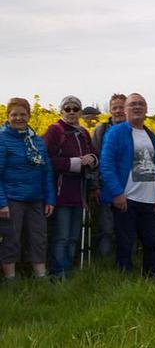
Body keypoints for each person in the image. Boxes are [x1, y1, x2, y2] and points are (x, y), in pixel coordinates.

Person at [100, 93, 155, 278]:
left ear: (146, 109)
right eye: (132, 104)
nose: (137, 107)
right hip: (126, 198)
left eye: (141, 104)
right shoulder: (116, 132)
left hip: (149, 198)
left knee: (151, 241)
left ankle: (151, 275)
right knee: (125, 241)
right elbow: (107, 165)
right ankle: (125, 277)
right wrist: (117, 192)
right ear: (125, 110)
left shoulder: (151, 135)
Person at [0, 98, 55, 281]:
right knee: (11, 239)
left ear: (29, 116)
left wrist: (49, 199)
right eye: (14, 114)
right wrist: (1, 203)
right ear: (8, 117)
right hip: (12, 198)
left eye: (23, 114)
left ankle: (40, 276)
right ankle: (10, 278)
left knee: (39, 238)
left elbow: (46, 171)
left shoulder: (36, 140)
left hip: (36, 198)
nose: (18, 118)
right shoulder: (2, 139)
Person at [44, 95, 98, 279]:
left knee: (74, 235)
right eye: (68, 108)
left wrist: (92, 160)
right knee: (62, 236)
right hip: (61, 191)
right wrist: (73, 163)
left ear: (80, 112)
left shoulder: (83, 132)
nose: (72, 112)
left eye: (76, 109)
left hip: (80, 192)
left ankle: (68, 270)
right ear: (61, 111)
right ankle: (58, 272)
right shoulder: (54, 131)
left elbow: (93, 154)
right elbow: (46, 161)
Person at [92, 93, 127, 257]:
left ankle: (125, 261)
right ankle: (104, 264)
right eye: (115, 108)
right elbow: (96, 159)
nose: (118, 111)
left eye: (122, 107)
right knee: (106, 228)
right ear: (110, 110)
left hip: (131, 187)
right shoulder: (102, 130)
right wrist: (96, 185)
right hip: (107, 187)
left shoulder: (134, 129)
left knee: (128, 229)